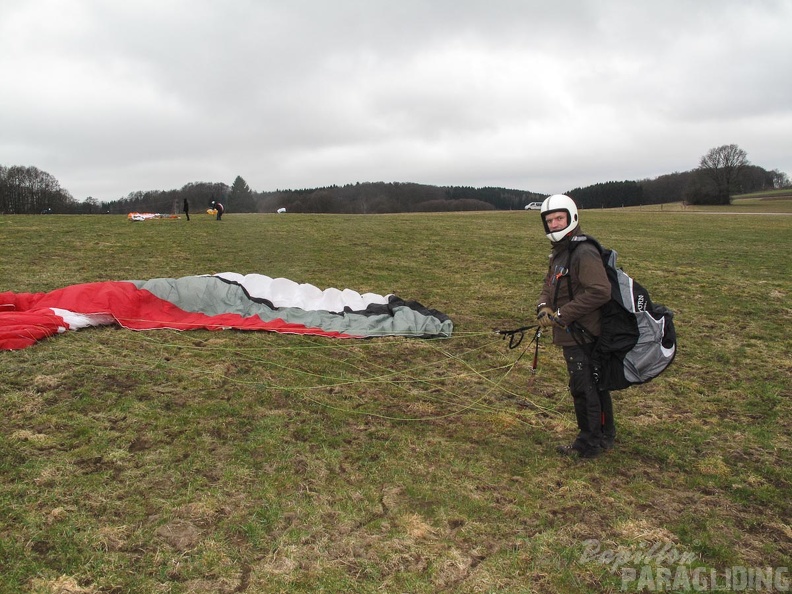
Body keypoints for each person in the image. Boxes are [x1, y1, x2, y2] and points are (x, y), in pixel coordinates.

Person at [535, 194, 615, 459]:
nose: (555, 224)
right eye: (550, 220)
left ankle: (589, 443)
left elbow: (599, 291)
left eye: (560, 218)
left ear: (572, 218)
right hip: (571, 330)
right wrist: (544, 306)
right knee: (591, 384)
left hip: (584, 333)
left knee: (584, 388)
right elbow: (550, 284)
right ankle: (604, 435)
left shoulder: (583, 252)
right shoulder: (561, 252)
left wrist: (563, 314)